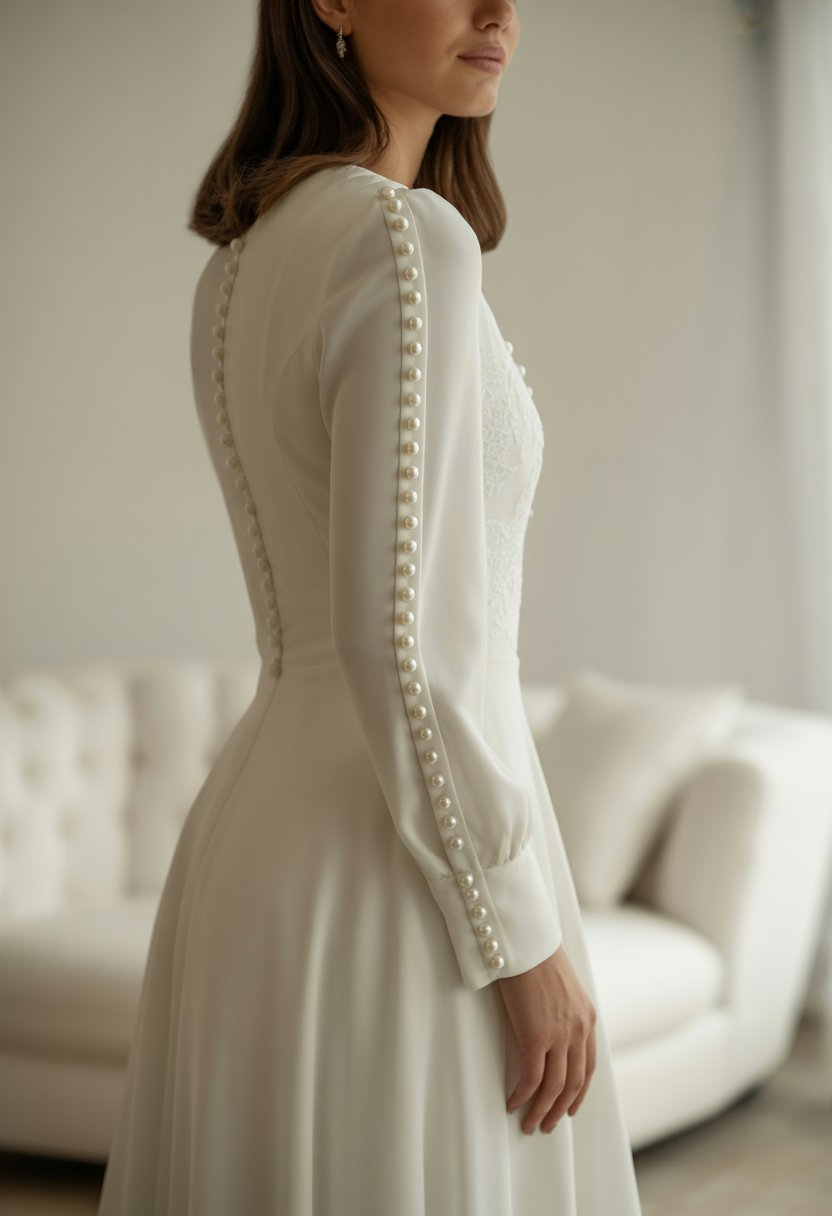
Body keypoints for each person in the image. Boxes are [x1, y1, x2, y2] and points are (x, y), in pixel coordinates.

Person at [96, 1, 644, 1212]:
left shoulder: (236, 268)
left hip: (258, 852)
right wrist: (518, 935)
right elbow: (401, 640)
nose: (502, 12)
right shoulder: (407, 241)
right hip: (400, 864)